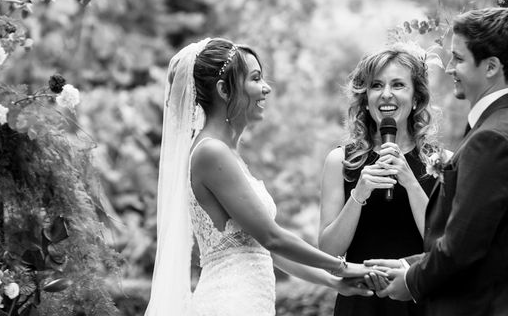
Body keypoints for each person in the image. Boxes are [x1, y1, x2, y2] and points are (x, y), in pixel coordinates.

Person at [145, 38, 378, 316]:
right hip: (230, 303)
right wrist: (345, 266)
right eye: (255, 79)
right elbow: (272, 237)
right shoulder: (212, 152)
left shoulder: (227, 154)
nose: (266, 87)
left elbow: (269, 249)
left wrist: (332, 281)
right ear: (223, 90)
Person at [371, 8, 508, 315]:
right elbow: (491, 240)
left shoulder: (492, 139)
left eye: (458, 58)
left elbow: (463, 246)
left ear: (491, 67)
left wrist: (412, 280)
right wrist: (410, 264)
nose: (448, 68)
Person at [318, 44, 448, 316]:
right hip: (361, 302)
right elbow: (329, 252)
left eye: (398, 85)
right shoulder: (340, 161)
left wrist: (410, 182)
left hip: (421, 301)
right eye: (376, 85)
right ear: (365, 98)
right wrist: (359, 194)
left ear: (415, 98)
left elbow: (445, 246)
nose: (386, 94)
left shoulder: (443, 162)